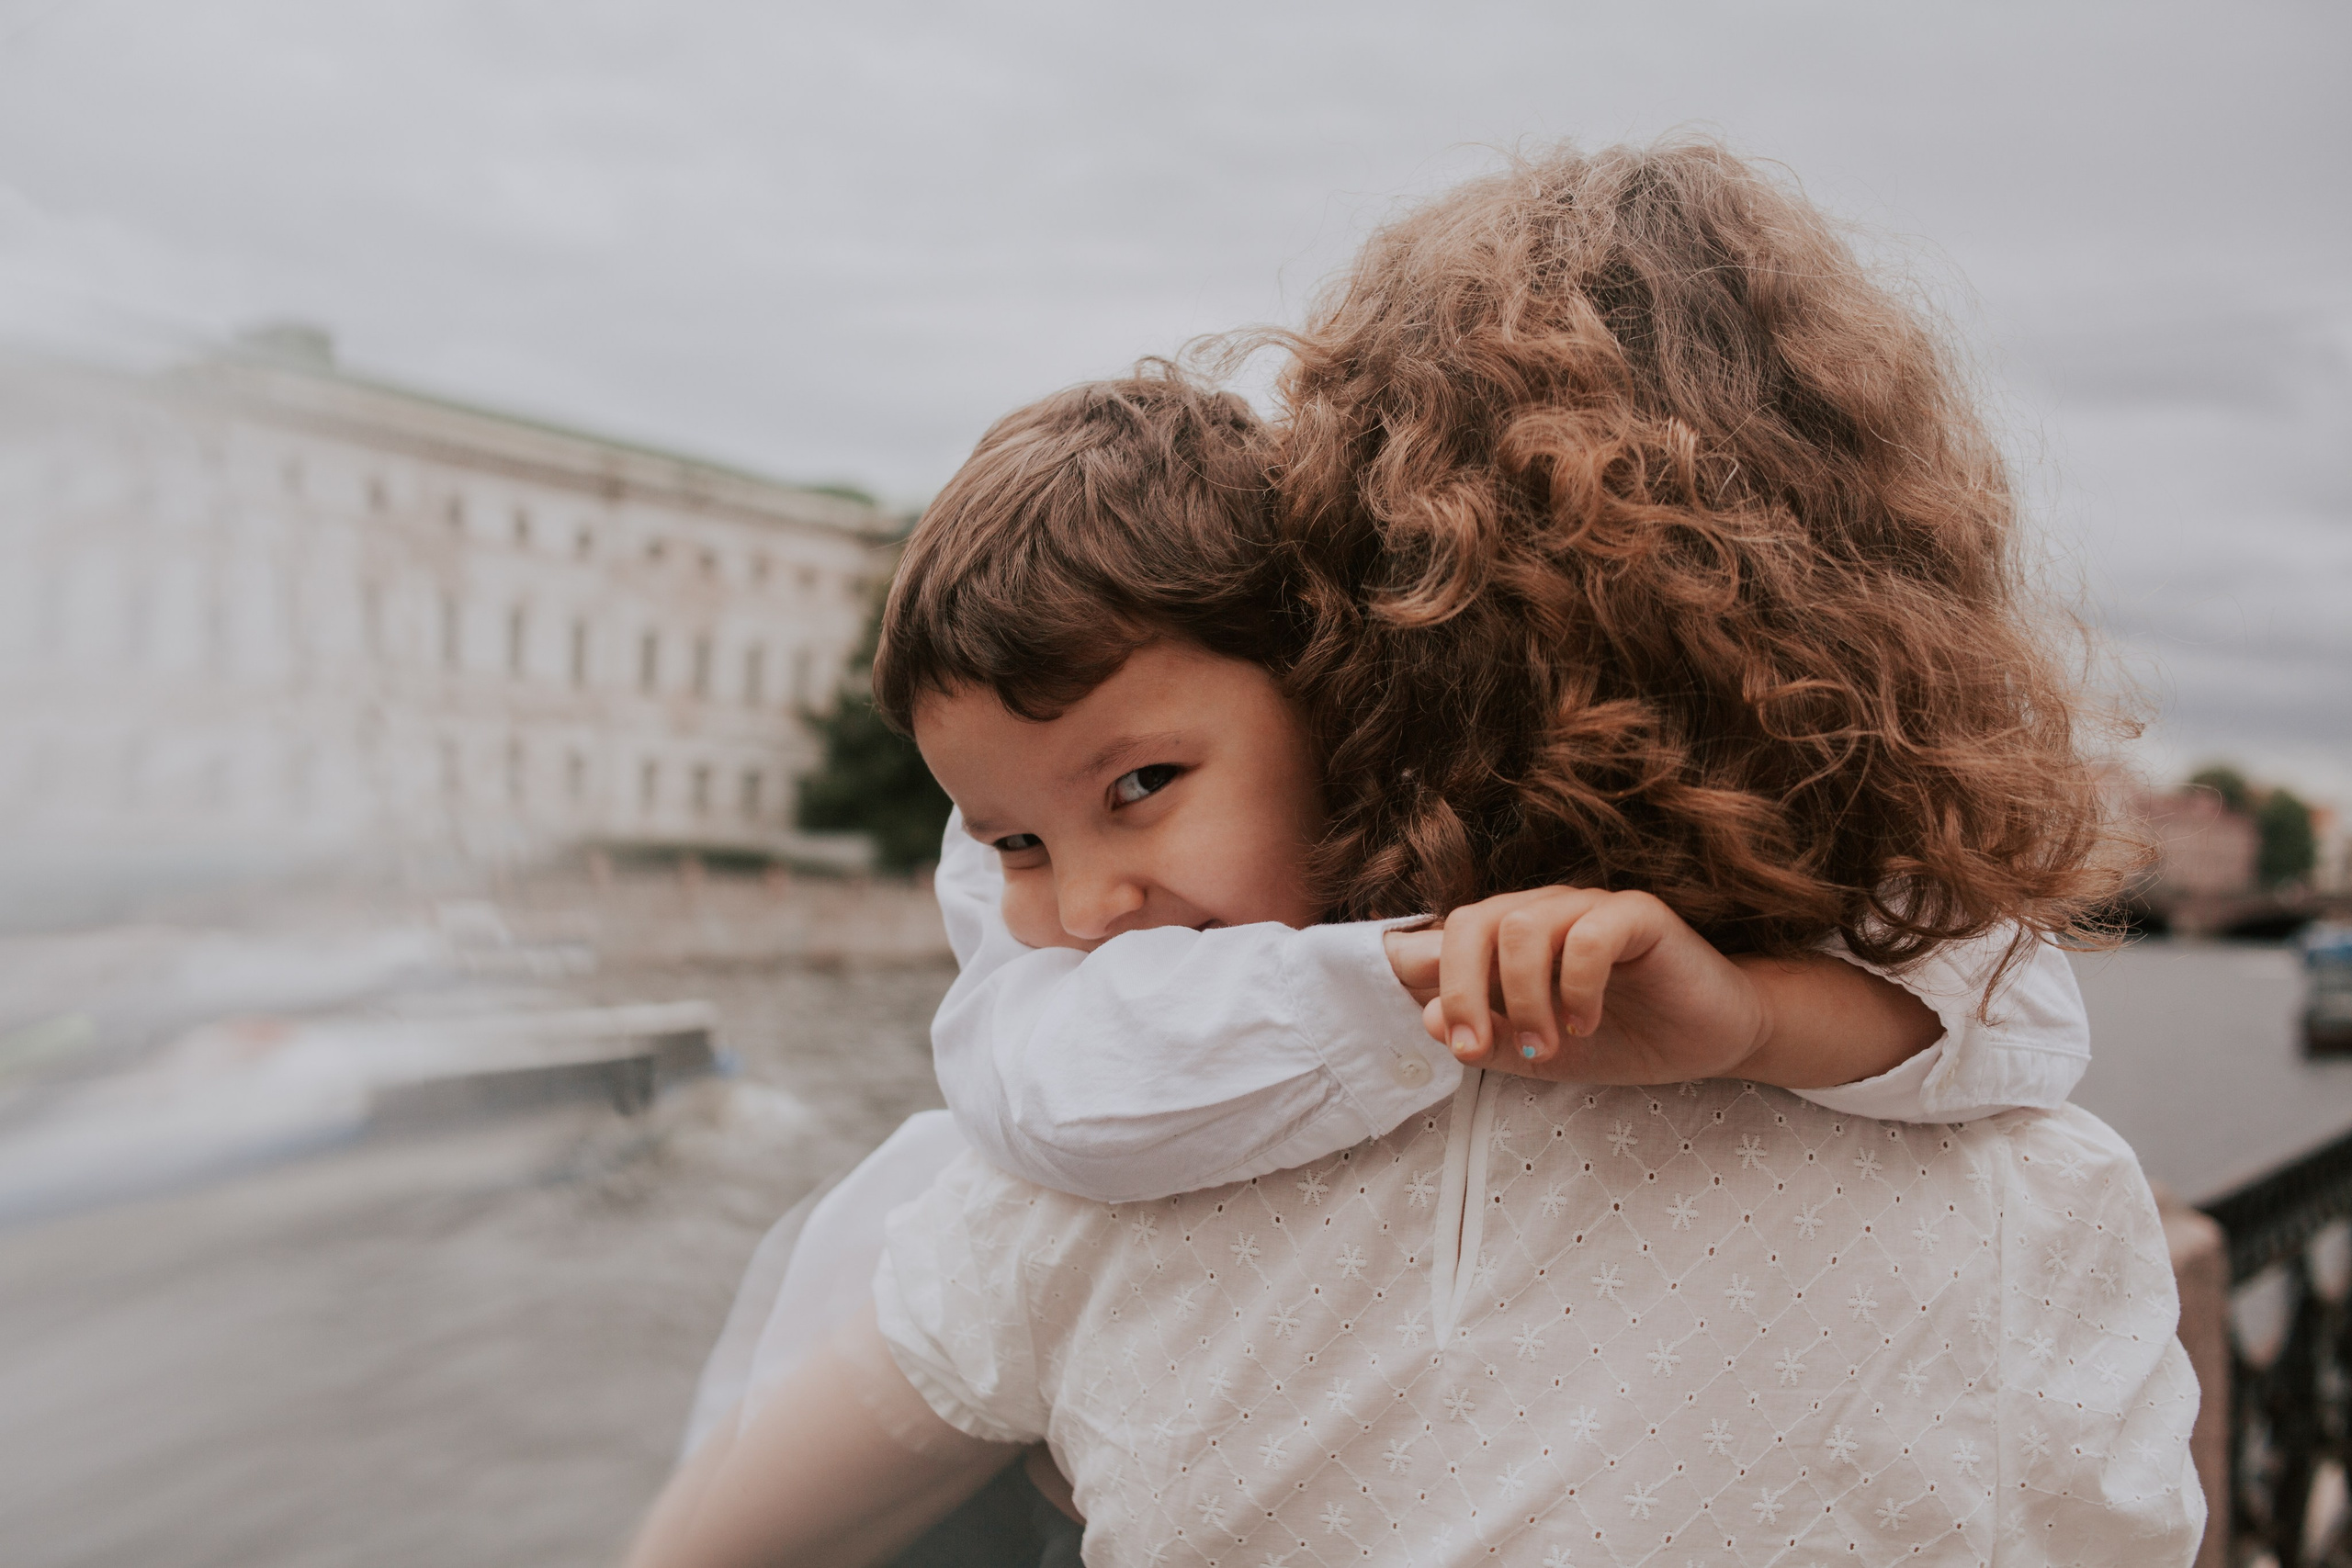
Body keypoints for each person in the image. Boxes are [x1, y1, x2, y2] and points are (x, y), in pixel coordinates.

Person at [634, 140, 2199, 1566]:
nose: (1092, 908)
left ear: (1366, 643)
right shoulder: (2036, 1199)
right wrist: (1770, 1024)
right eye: (1021, 840)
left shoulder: (1108, 1175)